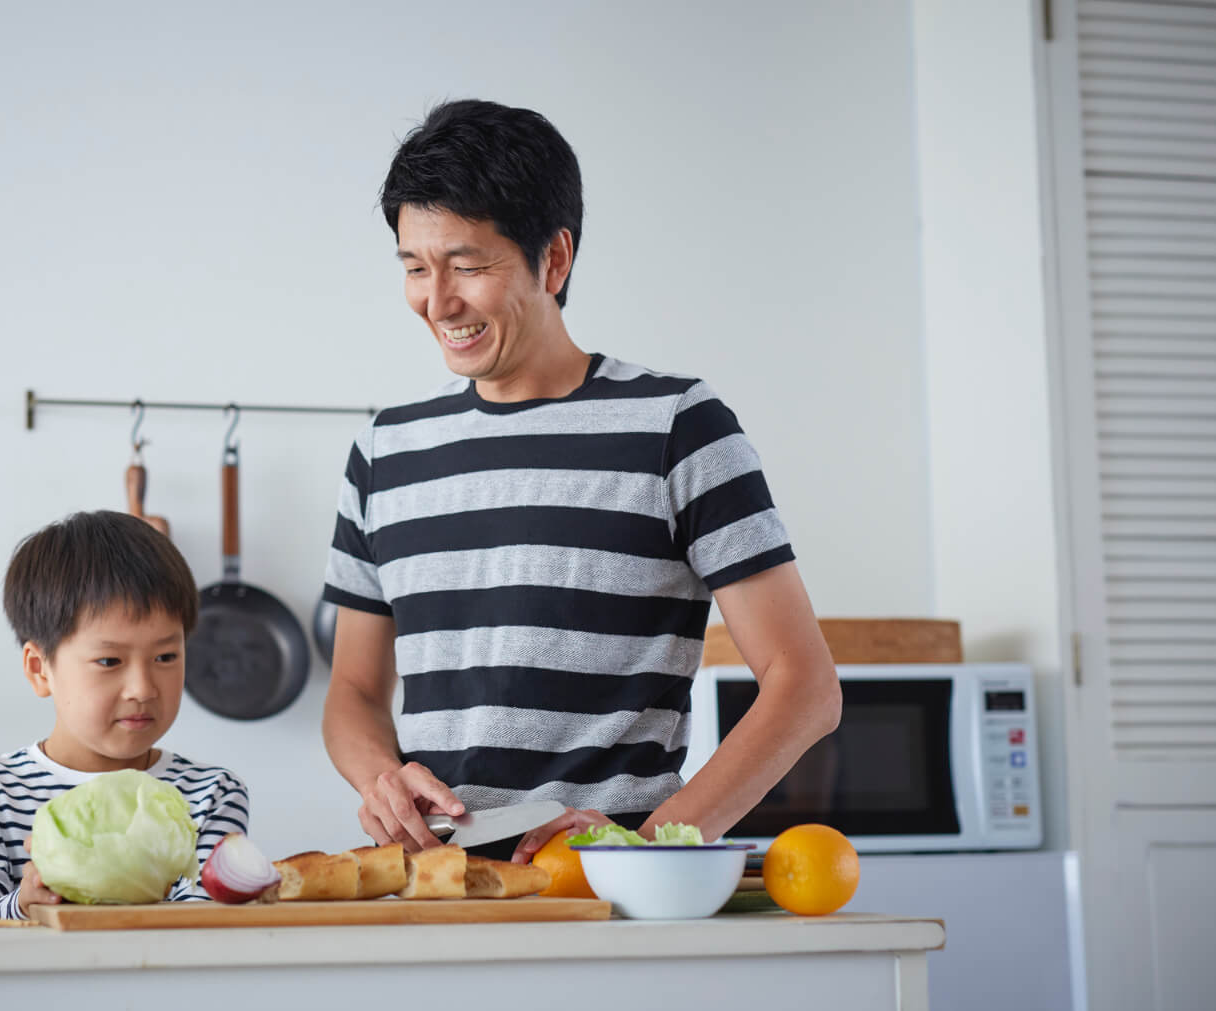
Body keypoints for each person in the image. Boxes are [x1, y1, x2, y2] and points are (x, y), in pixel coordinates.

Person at [320, 99, 841, 863]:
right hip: (435, 893)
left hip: (609, 896)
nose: (438, 302)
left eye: (468, 265)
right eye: (414, 268)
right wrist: (381, 777)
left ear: (554, 260)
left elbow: (804, 687)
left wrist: (644, 847)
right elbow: (354, 694)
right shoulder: (386, 448)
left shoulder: (677, 427)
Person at [0, 510, 250, 918]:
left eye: (166, 656)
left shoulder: (212, 794)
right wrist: (26, 905)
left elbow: (204, 926)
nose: (143, 688)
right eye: (109, 661)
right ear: (39, 668)